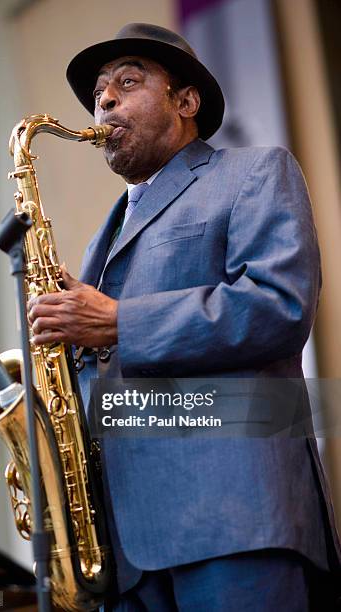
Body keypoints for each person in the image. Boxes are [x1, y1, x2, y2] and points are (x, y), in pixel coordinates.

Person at [28, 23, 341, 611]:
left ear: (186, 101)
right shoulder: (114, 224)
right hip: (125, 549)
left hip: (233, 521)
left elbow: (279, 305)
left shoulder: (253, 172)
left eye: (127, 82)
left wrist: (120, 322)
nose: (105, 101)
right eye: (100, 93)